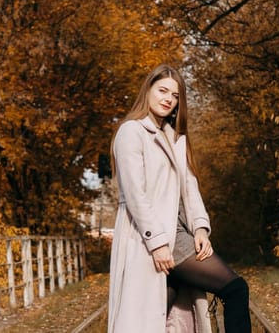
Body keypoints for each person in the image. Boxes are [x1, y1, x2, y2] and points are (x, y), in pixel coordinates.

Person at [107, 64, 250, 332]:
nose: (168, 99)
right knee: (235, 289)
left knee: (159, 320)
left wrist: (200, 228)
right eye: (162, 90)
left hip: (178, 234)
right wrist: (158, 242)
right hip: (153, 237)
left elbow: (190, 188)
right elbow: (136, 194)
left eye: (174, 96)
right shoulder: (132, 132)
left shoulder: (174, 138)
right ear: (147, 91)